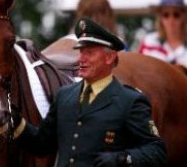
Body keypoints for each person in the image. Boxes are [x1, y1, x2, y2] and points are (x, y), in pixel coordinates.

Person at [14, 17, 167, 167]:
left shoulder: (130, 101)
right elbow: (41, 144)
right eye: (81, 52)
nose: (81, 58)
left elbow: (156, 151)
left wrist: (123, 158)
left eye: (89, 52)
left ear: (109, 57)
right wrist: (15, 122)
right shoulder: (64, 96)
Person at [138, 0, 187, 69]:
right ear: (160, 17)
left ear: (184, 16)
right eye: (166, 15)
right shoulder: (148, 42)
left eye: (176, 14)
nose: (171, 20)